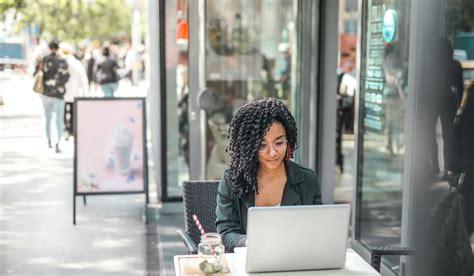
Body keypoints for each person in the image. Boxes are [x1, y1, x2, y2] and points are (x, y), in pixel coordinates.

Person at [215, 98, 322, 252]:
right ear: (249, 147)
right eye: (262, 145)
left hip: (296, 261)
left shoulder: (307, 180)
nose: (272, 153)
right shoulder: (232, 180)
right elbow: (226, 234)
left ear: (288, 141)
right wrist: (250, 242)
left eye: (279, 143)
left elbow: (317, 231)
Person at [40, 38, 70, 153]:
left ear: (49, 47)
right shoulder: (62, 61)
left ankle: (49, 140)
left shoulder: (45, 59)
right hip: (58, 93)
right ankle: (58, 141)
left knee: (48, 118)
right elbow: (66, 76)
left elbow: (39, 73)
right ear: (58, 48)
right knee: (59, 119)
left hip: (46, 93)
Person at [59, 42, 89, 140]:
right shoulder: (75, 62)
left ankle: (65, 130)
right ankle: (71, 130)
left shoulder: (60, 61)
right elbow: (83, 78)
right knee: (72, 112)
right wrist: (85, 93)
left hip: (62, 91)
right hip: (74, 91)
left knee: (63, 112)